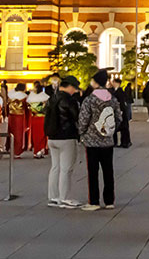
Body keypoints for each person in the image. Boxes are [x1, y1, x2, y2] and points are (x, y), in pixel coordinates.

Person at [78, 69, 122, 211]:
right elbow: (119, 118)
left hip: (92, 141)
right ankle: (109, 201)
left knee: (93, 171)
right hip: (107, 140)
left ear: (95, 82)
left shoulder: (90, 99)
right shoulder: (112, 99)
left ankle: (94, 201)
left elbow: (83, 119)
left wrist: (82, 133)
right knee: (108, 170)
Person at [45, 75, 82, 208]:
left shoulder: (51, 98)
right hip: (66, 136)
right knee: (66, 169)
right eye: (75, 88)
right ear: (70, 87)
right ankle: (65, 197)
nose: (75, 91)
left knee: (55, 167)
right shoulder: (69, 100)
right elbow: (76, 117)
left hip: (52, 137)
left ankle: (53, 197)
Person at [6, 83, 29, 158]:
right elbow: (27, 109)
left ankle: (10, 148)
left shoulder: (10, 96)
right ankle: (17, 152)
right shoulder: (24, 97)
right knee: (19, 134)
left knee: (11, 132)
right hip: (20, 117)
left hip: (11, 117)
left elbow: (7, 107)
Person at [27, 83, 50, 158]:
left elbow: (29, 108)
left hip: (34, 118)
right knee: (42, 134)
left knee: (35, 135)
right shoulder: (45, 98)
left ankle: (36, 150)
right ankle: (41, 150)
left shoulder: (31, 98)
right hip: (43, 118)